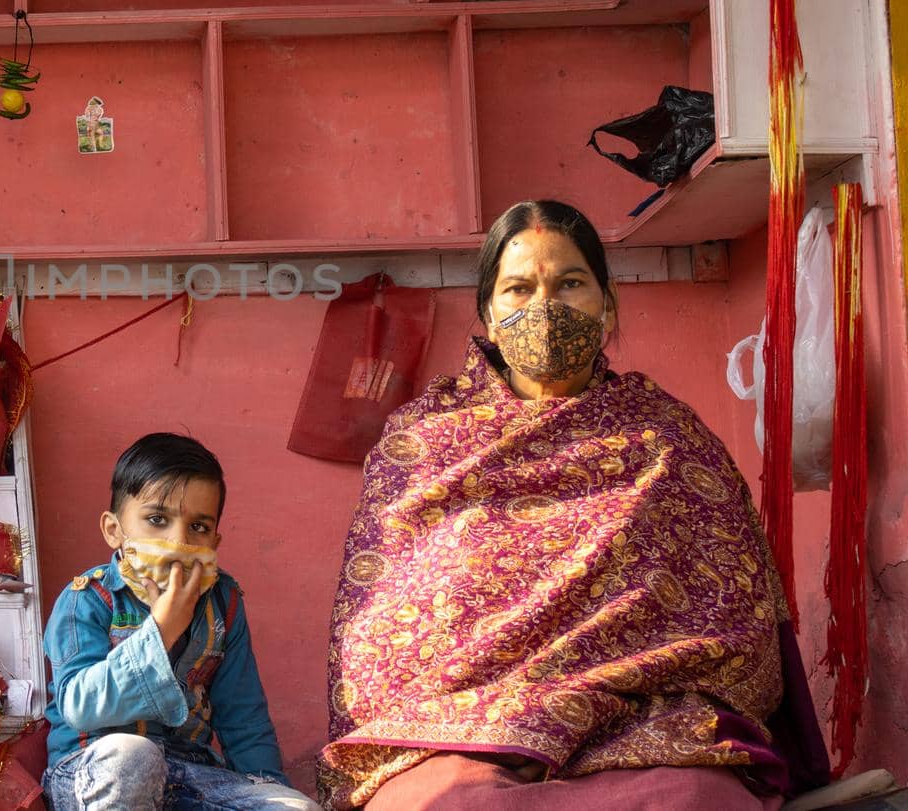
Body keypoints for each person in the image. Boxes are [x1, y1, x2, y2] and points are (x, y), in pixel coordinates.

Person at [320, 200, 829, 810]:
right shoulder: (424, 443)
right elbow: (381, 632)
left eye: (569, 284)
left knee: (691, 799)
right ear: (487, 309)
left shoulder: (666, 436)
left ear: (606, 302)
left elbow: (734, 612)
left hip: (649, 721)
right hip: (465, 729)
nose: (545, 308)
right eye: (518, 288)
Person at [43, 432, 321, 810]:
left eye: (198, 528)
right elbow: (79, 705)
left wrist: (269, 790)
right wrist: (162, 627)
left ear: (215, 542)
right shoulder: (87, 598)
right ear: (114, 531)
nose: (179, 542)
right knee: (132, 757)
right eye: (157, 519)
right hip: (95, 771)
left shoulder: (224, 602)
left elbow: (243, 717)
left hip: (192, 776)